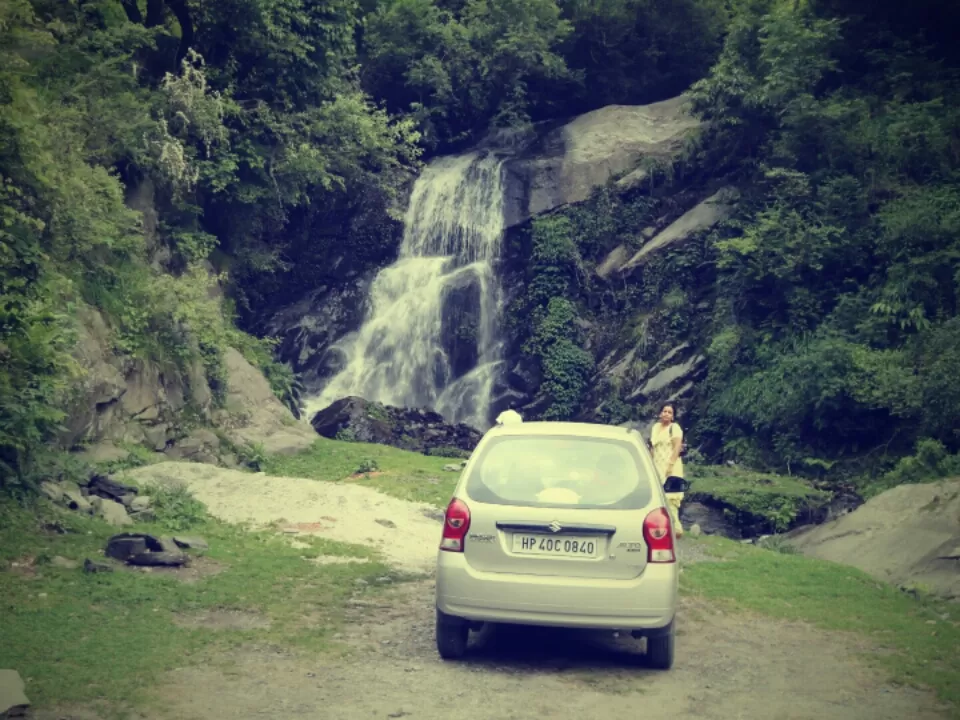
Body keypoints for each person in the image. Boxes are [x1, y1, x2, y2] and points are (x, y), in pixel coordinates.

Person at [649, 404, 686, 537]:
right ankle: (661, 527)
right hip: (657, 466)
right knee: (657, 497)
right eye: (664, 411)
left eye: (669, 412)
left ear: (673, 416)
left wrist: (670, 465)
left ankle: (676, 529)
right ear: (660, 413)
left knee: (671, 499)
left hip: (671, 466)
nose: (666, 414)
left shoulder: (674, 428)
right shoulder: (655, 428)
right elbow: (652, 447)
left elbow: (677, 447)